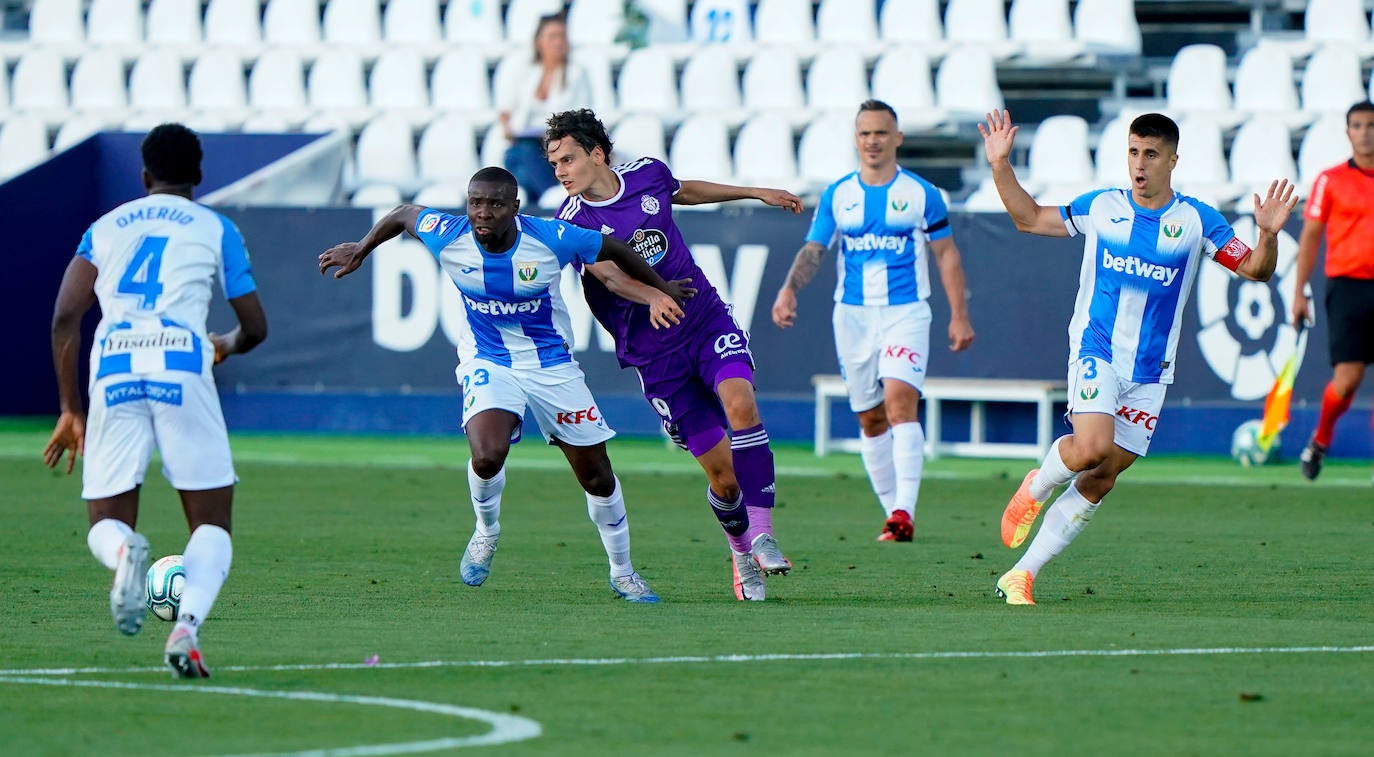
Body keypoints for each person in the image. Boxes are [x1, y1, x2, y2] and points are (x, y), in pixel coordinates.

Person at [319, 166, 691, 603]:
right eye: (476, 203)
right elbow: (403, 214)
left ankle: (623, 572)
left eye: (495, 204)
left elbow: (614, 248)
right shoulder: (447, 233)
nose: (483, 212)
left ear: (514, 207)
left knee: (596, 476)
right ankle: (486, 531)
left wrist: (661, 286)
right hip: (487, 359)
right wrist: (362, 250)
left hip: (552, 365)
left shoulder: (553, 237)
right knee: (488, 453)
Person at [978, 109, 1298, 605]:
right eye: (1133, 152)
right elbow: (1028, 218)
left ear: (1173, 160)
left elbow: (1256, 270)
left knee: (1103, 477)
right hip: (1097, 350)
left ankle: (1021, 575)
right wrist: (1000, 165)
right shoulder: (1103, 207)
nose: (1139, 164)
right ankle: (1036, 487)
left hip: (1151, 372)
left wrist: (1269, 234)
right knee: (1090, 449)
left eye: (1150, 154)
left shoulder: (1196, 221)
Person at [544, 108, 803, 601]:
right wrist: (653, 296)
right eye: (555, 163)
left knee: (741, 402)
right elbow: (610, 277)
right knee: (724, 479)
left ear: (597, 154)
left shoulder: (647, 174)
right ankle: (741, 550)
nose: (560, 172)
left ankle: (765, 535)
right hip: (654, 356)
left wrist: (755, 191)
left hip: (703, 318)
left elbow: (686, 190)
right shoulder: (573, 220)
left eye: (568, 159)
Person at [44, 123, 269, 677]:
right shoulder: (216, 228)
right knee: (211, 525)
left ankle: (125, 556)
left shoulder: (104, 228)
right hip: (181, 365)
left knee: (105, 520)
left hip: (115, 367)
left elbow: (64, 319)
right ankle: (186, 630)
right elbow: (255, 327)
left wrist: (71, 408)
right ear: (197, 176)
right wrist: (226, 345)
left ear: (145, 177)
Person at [771, 99, 975, 543]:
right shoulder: (838, 194)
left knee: (901, 403)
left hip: (906, 312)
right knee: (869, 419)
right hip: (852, 317)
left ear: (897, 138)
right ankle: (893, 516)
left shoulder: (923, 194)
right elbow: (815, 249)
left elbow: (946, 255)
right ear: (856, 138)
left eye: (881, 133)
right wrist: (789, 289)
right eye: (865, 133)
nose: (873, 141)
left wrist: (959, 314)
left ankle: (904, 511)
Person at [1291, 101, 1374, 481]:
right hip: (1347, 288)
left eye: (1370, 125)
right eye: (1357, 125)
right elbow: (1309, 238)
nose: (1365, 132)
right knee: (1348, 380)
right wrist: (1298, 292)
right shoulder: (1331, 180)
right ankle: (1321, 440)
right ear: (1347, 132)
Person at [498, 13, 593, 204]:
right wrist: (509, 129)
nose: (558, 42)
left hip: (558, 144)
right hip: (525, 141)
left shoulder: (576, 73)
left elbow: (580, 116)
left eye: (561, 36)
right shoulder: (524, 70)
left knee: (519, 161)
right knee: (518, 154)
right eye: (552, 37)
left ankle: (547, 200)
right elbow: (505, 111)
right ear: (539, 41)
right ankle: (551, 201)